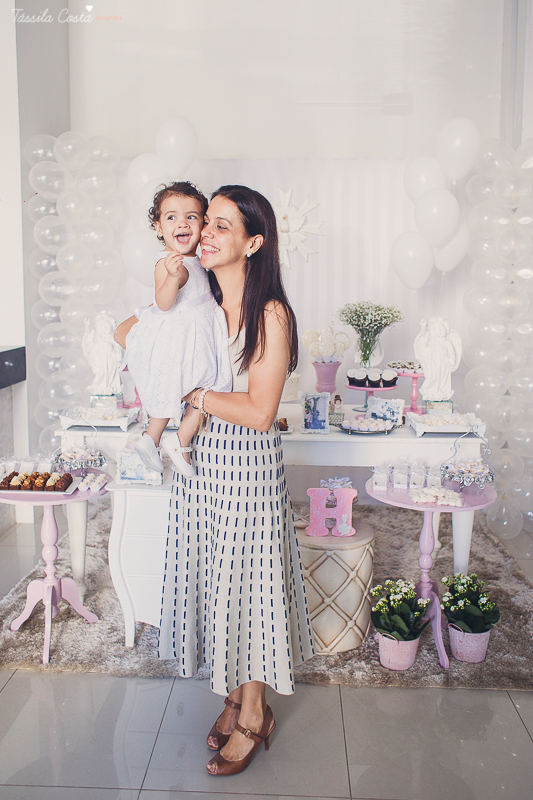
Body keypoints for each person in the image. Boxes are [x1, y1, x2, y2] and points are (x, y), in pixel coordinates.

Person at [158, 185, 314, 776]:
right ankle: (233, 694)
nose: (207, 234)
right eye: (207, 223)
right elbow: (133, 332)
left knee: (247, 590)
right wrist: (161, 323)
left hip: (246, 473)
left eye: (223, 226)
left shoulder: (271, 313)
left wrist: (195, 393)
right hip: (200, 474)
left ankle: (255, 711)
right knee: (214, 586)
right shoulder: (198, 301)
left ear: (253, 242)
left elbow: (259, 411)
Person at [118, 182, 232, 477]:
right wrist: (171, 276)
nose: (182, 223)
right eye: (171, 217)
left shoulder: (199, 260)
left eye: (191, 217)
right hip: (184, 339)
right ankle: (172, 440)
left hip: (200, 330)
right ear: (158, 227)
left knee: (209, 384)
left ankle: (157, 439)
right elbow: (164, 303)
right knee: (205, 384)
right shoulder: (171, 263)